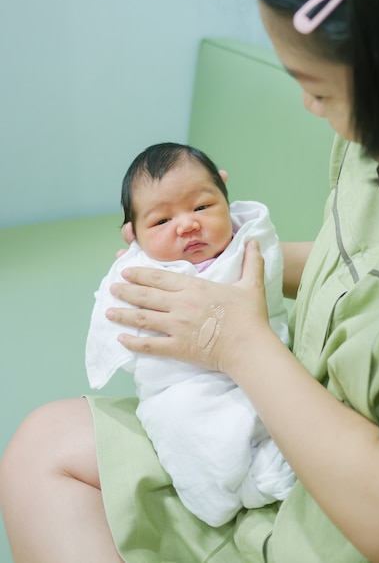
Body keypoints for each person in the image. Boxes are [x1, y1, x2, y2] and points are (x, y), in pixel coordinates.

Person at [1, 0, 379, 561]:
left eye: (321, 90)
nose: (309, 107)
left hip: (339, 512)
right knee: (39, 446)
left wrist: (235, 340)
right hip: (275, 415)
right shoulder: (375, 143)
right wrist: (221, 273)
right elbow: (360, 269)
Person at [85, 142, 293, 527]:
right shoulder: (140, 270)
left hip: (258, 364)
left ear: (225, 194)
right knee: (176, 418)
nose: (186, 224)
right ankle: (219, 487)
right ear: (133, 234)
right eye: (160, 222)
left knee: (277, 406)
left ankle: (265, 471)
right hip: (179, 384)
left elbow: (267, 284)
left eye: (201, 207)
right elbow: (114, 313)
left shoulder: (249, 244)